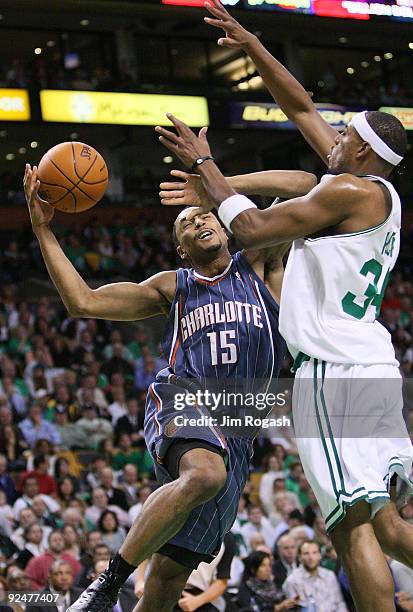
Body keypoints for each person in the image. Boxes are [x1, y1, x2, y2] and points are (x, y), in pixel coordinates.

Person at [155, 2, 413, 609]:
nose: (335, 137)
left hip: (332, 372)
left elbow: (250, 231)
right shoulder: (373, 192)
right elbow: (300, 106)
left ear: (365, 154)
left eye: (347, 135)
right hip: (371, 361)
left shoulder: (349, 188)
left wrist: (206, 167)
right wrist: (250, 43)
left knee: (350, 526)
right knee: (388, 526)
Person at [23, 162, 315, 612]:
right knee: (204, 473)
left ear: (224, 223)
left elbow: (305, 185)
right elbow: (83, 301)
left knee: (165, 584)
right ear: (180, 248)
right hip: (183, 397)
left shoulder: (257, 261)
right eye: (187, 223)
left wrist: (219, 188)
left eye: (204, 215)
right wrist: (44, 231)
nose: (198, 221)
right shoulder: (172, 287)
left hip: (238, 431)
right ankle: (107, 584)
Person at [283, 541, 347, 611]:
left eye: (314, 552)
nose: (311, 557)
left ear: (319, 555)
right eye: (306, 553)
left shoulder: (329, 575)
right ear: (299, 557)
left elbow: (340, 603)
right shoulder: (292, 581)